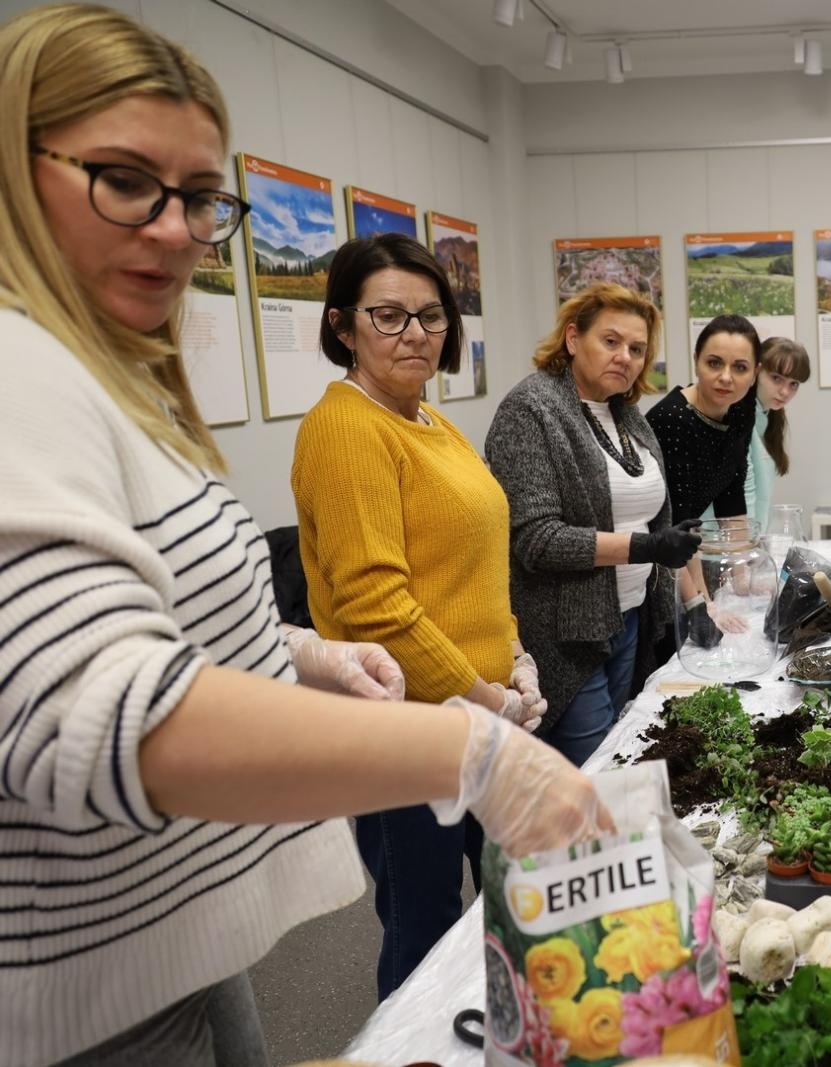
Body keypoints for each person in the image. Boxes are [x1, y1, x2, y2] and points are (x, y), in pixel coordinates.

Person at [0, 7, 605, 1065]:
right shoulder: (18, 369)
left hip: (172, 937)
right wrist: (473, 742)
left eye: (198, 198)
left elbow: (135, 621)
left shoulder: (110, 374)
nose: (175, 230)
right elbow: (97, 716)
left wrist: (298, 650)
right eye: (125, 181)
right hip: (79, 993)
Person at [291, 233, 545, 999]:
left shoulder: (428, 419)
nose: (415, 335)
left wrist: (516, 657)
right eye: (389, 316)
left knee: (510, 913)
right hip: (405, 731)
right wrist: (488, 695)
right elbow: (377, 608)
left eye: (431, 317)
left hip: (473, 716)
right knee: (425, 937)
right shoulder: (345, 427)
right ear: (343, 326)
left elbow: (475, 568)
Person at [486, 284, 699, 768]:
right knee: (597, 772)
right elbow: (536, 540)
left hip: (628, 618)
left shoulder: (626, 413)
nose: (625, 357)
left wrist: (667, 541)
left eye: (637, 349)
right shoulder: (531, 410)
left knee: (620, 750)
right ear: (572, 338)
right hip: (566, 636)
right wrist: (646, 547)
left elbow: (640, 508)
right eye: (611, 341)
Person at [646, 314, 761, 648]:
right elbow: (677, 525)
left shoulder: (739, 408)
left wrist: (743, 579)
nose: (726, 377)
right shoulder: (673, 420)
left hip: (683, 553)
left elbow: (731, 494)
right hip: (658, 566)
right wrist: (705, 605)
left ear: (754, 374)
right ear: (696, 362)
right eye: (714, 363)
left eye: (740, 368)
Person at [742, 336, 811, 531]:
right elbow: (743, 492)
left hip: (747, 537)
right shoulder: (741, 416)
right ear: (757, 371)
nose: (784, 392)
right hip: (725, 542)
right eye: (776, 378)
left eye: (793, 384)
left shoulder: (767, 417)